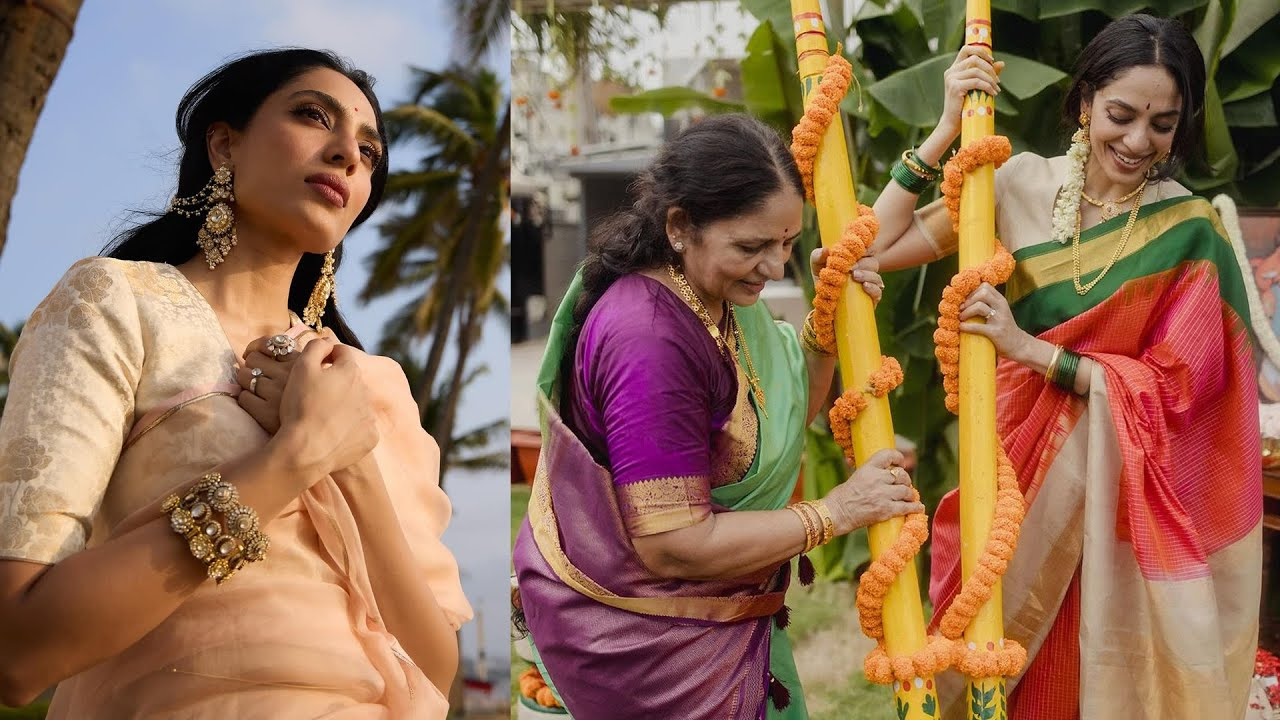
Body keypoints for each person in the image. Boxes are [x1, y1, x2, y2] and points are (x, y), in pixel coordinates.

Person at [0, 49, 471, 718]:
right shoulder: (117, 302)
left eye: (369, 154)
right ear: (224, 144)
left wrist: (353, 464)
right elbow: (19, 650)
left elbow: (436, 664)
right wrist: (296, 456)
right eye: (314, 116)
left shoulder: (375, 385)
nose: (347, 155)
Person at [868, 14, 1260, 719]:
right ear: (1084, 101)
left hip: (1117, 522)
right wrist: (946, 127)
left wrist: (1030, 349)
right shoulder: (1014, 186)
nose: (1139, 142)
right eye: (1121, 114)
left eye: (1163, 124)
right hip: (1012, 492)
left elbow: (1185, 393)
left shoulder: (1190, 228)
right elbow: (871, 246)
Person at [511, 113, 925, 719]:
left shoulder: (711, 295)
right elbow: (674, 544)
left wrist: (827, 331)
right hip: (644, 648)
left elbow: (772, 428)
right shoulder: (647, 340)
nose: (776, 267)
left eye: (786, 243)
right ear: (680, 225)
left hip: (709, 620)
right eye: (752, 246)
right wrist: (837, 512)